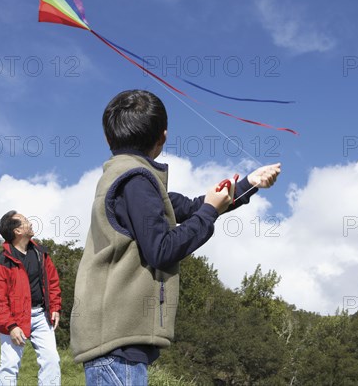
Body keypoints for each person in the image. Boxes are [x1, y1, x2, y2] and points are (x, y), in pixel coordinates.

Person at [70, 89, 281, 385]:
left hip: (115, 342)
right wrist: (208, 211)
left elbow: (194, 207)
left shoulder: (130, 179)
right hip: (117, 344)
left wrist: (249, 183)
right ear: (163, 138)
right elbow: (162, 249)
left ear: (108, 139)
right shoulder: (136, 181)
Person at [0, 211, 62, 386]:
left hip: (42, 316)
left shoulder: (40, 253)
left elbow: (52, 282)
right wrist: (11, 326)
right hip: (13, 319)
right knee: (10, 365)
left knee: (51, 360)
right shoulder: (0, 263)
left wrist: (55, 307)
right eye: (26, 221)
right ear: (17, 231)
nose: (31, 222)